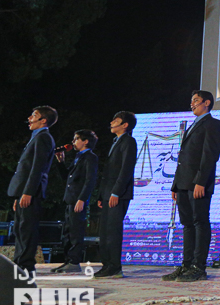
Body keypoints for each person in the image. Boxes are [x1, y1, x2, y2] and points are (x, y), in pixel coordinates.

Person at [162, 90, 220, 282]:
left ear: (207, 103)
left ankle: (199, 267)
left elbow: (210, 155)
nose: (192, 104)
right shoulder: (192, 125)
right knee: (187, 224)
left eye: (196, 100)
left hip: (198, 183)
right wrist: (175, 185)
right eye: (191, 101)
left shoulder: (213, 124)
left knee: (200, 222)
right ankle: (187, 265)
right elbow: (183, 158)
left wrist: (200, 181)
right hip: (183, 183)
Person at [8, 106, 58, 277]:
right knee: (20, 229)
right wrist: (18, 195)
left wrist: (28, 192)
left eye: (34, 115)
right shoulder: (36, 137)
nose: (29, 118)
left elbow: (38, 168)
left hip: (31, 192)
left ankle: (26, 266)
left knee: (27, 229)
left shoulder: (44, 138)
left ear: (43, 120)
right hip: (23, 191)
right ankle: (19, 263)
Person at [96, 111, 137, 279]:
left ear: (125, 125)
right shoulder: (116, 141)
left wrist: (116, 192)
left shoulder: (129, 141)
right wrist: (101, 195)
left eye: (116, 120)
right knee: (104, 231)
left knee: (113, 231)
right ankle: (106, 264)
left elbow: (126, 169)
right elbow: (108, 172)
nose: (111, 123)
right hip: (108, 193)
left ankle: (114, 266)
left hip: (118, 194)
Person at [52, 129, 99, 273]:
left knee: (76, 230)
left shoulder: (90, 157)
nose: (73, 142)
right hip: (70, 199)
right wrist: (61, 162)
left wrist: (82, 198)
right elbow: (67, 177)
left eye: (76, 139)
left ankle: (74, 261)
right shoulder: (79, 157)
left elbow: (90, 180)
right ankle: (68, 260)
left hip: (78, 200)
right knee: (68, 231)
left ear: (85, 141)